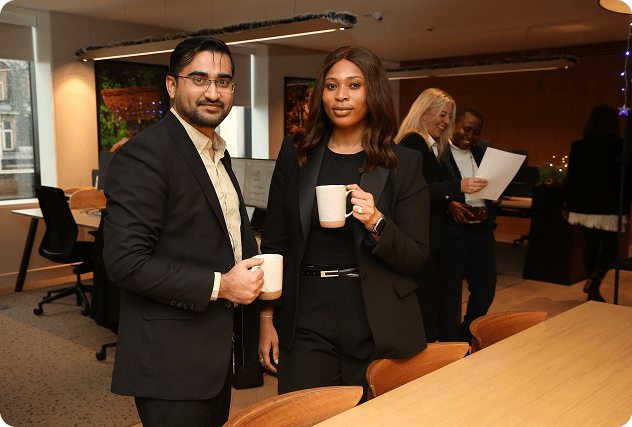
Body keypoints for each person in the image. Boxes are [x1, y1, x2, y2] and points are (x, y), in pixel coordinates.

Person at [102, 36, 264, 427]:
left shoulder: (217, 153)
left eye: (223, 81)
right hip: (170, 363)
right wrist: (223, 285)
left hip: (213, 356)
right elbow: (125, 263)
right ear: (173, 85)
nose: (213, 93)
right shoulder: (145, 154)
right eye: (199, 79)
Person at [258, 46, 430, 400]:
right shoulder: (295, 153)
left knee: (373, 417)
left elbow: (416, 256)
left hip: (375, 316)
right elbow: (275, 242)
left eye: (354, 85)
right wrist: (266, 319)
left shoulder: (403, 163)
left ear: (373, 92)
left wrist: (377, 222)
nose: (341, 96)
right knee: (306, 414)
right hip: (306, 313)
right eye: (331, 86)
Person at [395, 89, 487, 342]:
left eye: (449, 116)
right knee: (424, 304)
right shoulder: (414, 141)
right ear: (425, 113)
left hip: (426, 236)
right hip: (419, 236)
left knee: (429, 303)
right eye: (443, 115)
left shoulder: (427, 145)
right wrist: (458, 186)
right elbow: (415, 190)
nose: (447, 121)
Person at [437, 106, 496, 344]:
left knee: (485, 289)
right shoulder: (439, 153)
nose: (470, 136)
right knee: (450, 294)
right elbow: (429, 189)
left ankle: (465, 336)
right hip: (453, 231)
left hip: (482, 229)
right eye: (466, 129)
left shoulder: (483, 152)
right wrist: (448, 203)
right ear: (454, 125)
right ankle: (449, 343)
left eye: (476, 132)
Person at [563, 105, 630, 302]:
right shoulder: (621, 145)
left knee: (590, 245)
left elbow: (571, 177)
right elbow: (626, 178)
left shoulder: (579, 145)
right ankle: (595, 280)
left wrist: (565, 204)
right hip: (610, 204)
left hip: (583, 204)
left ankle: (593, 291)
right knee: (612, 247)